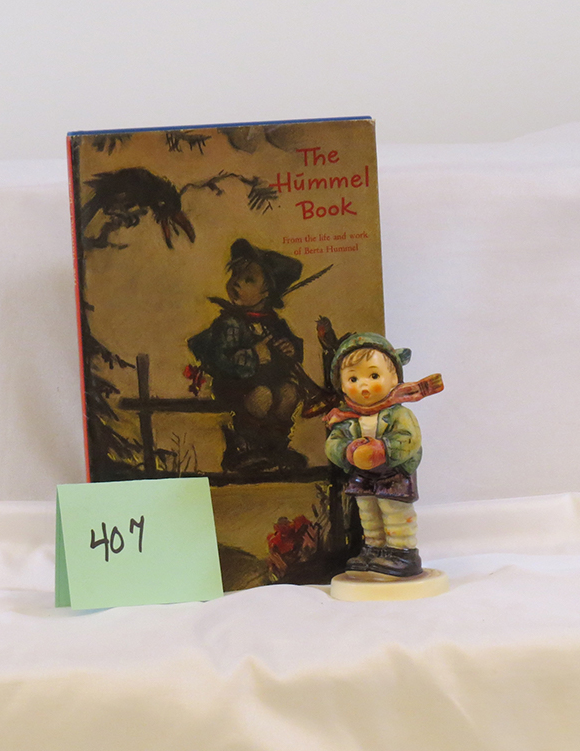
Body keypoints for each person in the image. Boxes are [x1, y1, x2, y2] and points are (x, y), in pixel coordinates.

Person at [324, 333, 442, 577]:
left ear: (394, 378)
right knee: (368, 512)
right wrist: (347, 451)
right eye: (353, 379)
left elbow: (409, 438)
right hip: (362, 474)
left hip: (393, 473)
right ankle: (374, 548)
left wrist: (383, 449)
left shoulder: (399, 414)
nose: (364, 385)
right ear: (342, 385)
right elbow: (333, 444)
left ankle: (402, 552)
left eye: (374, 376)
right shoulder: (346, 418)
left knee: (394, 511)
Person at [188, 238, 308, 472]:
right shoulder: (231, 323)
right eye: (235, 275)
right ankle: (246, 447)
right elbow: (221, 359)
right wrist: (252, 355)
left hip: (270, 382)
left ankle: (275, 447)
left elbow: (293, 351)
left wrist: (290, 350)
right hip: (236, 385)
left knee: (289, 392)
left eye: (248, 280)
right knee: (262, 396)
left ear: (267, 292)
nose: (236, 283)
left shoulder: (274, 323)